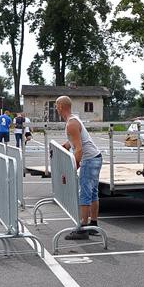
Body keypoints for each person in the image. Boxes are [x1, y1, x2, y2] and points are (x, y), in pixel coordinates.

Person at [56, 96, 103, 240]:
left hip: (89, 160)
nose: (56, 108)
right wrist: (63, 147)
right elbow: (74, 141)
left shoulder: (71, 123)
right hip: (96, 158)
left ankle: (82, 228)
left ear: (61, 107)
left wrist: (73, 167)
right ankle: (93, 225)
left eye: (57, 105)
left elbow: (79, 149)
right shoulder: (73, 120)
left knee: (85, 193)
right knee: (93, 193)